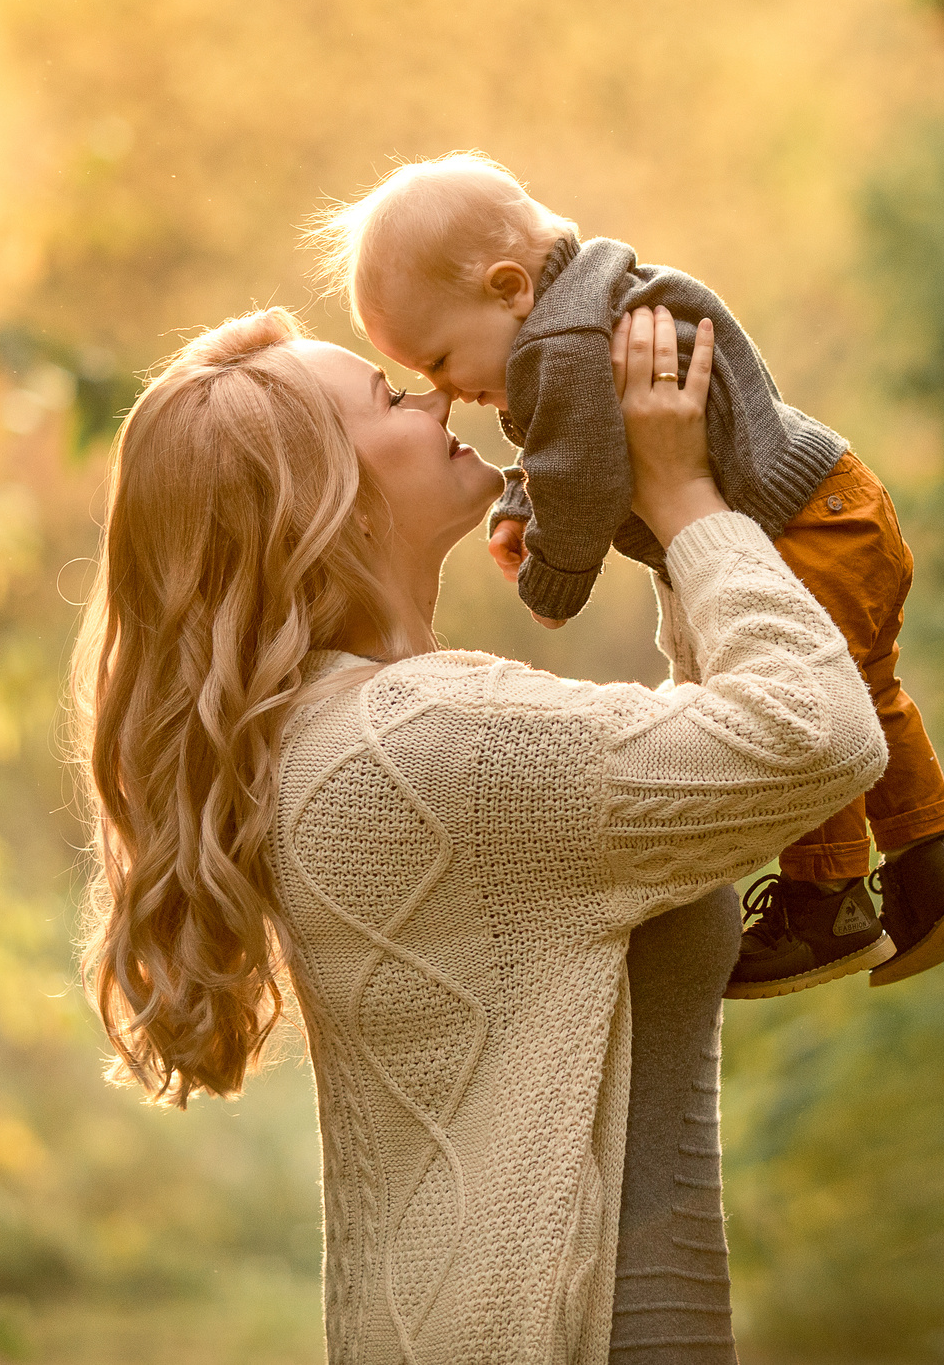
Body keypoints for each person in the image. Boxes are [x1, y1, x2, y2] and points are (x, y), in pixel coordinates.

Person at [71, 303, 885, 1362]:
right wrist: (684, 499)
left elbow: (707, 767)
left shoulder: (361, 737)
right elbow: (815, 735)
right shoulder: (427, 742)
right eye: (388, 398)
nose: (438, 396)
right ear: (328, 496)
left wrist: (655, 512)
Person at [314, 153, 944, 998]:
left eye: (439, 360)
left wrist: (553, 579)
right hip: (838, 503)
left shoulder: (559, 347)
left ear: (507, 290)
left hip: (801, 532)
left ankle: (827, 901)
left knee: (821, 712)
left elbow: (590, 475)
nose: (448, 392)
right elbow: (578, 442)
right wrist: (522, 508)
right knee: (867, 689)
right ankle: (931, 871)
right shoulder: (589, 315)